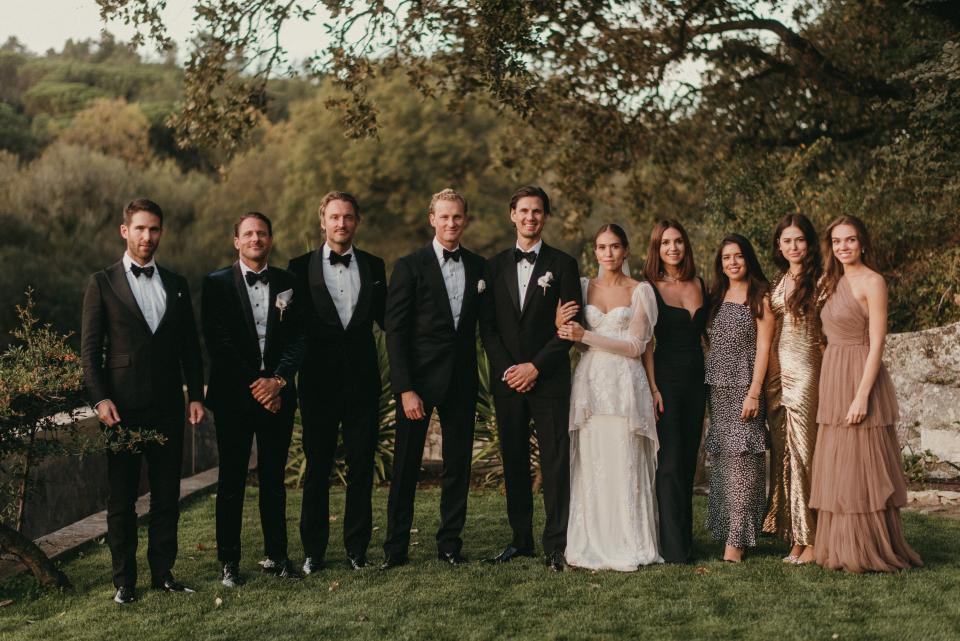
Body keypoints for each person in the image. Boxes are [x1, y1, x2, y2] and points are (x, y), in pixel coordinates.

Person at [80, 198, 204, 604]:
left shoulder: (177, 283)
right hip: (122, 410)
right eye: (140, 229)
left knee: (168, 495)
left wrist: (196, 395)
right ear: (125, 231)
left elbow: (190, 347)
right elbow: (89, 351)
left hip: (169, 406)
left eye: (154, 229)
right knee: (123, 499)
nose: (147, 237)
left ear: (161, 233)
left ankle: (163, 574)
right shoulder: (102, 282)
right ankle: (124, 581)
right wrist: (100, 401)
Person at [809, 216, 922, 573]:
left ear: (862, 243)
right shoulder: (829, 281)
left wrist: (861, 396)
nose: (844, 246)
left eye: (851, 240)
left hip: (861, 372)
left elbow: (877, 344)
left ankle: (869, 546)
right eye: (838, 241)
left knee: (862, 463)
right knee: (839, 463)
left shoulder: (873, 281)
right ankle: (841, 546)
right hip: (834, 373)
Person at [381, 188, 487, 569]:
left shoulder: (478, 267)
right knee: (406, 466)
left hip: (461, 381)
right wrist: (405, 388)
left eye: (457, 216)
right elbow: (395, 331)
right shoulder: (410, 266)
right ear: (432, 219)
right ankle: (395, 549)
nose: (451, 223)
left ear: (465, 219)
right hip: (418, 383)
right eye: (444, 217)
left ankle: (449, 545)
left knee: (458, 466)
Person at [480, 185, 582, 572]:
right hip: (508, 383)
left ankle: (556, 544)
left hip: (550, 380)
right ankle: (519, 539)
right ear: (512, 215)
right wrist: (511, 370)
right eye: (524, 211)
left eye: (537, 211)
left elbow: (571, 325)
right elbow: (487, 328)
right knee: (515, 462)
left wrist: (535, 367)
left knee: (555, 464)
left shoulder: (564, 265)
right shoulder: (492, 267)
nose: (530, 218)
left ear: (545, 217)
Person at [201, 212, 305, 587]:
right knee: (231, 482)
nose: (255, 239)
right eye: (248, 234)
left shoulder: (289, 283)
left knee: (275, 480)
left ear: (270, 239)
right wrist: (259, 386)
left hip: (277, 396)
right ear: (236, 241)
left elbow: (299, 338)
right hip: (234, 398)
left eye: (261, 233)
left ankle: (277, 556)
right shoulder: (215, 284)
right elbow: (219, 343)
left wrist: (278, 381)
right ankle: (229, 562)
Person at [288, 192, 387, 573]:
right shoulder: (298, 267)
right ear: (322, 221)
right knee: (317, 468)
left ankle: (356, 549)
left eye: (348, 217)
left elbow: (389, 322)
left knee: (362, 467)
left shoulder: (375, 266)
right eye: (334, 217)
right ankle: (313, 550)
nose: (341, 223)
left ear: (356, 221)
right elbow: (289, 330)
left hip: (363, 382)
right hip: (316, 384)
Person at [554, 224, 661, 570]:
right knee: (593, 460)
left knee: (624, 459)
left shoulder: (640, 291)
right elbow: (567, 334)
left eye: (615, 246)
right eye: (602, 247)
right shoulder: (583, 287)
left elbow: (635, 347)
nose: (609, 253)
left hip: (625, 384)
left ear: (626, 251)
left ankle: (629, 539)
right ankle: (592, 538)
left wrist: (587, 335)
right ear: (595, 252)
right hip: (590, 385)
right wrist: (564, 327)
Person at [703, 234, 774, 563]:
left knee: (746, 463)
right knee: (725, 465)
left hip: (745, 389)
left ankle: (738, 541)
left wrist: (754, 391)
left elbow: (764, 346)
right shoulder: (716, 295)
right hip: (717, 391)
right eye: (726, 257)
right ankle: (727, 530)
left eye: (738, 256)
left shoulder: (760, 295)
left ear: (748, 259)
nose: (732, 262)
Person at [643, 220, 707, 564]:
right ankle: (672, 548)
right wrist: (652, 388)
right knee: (668, 463)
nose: (673, 248)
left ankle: (684, 540)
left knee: (687, 464)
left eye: (679, 241)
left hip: (698, 383)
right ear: (657, 248)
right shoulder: (648, 288)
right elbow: (645, 344)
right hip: (665, 381)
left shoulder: (701, 283)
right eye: (666, 242)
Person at [763, 214, 823, 565]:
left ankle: (812, 539)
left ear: (809, 243)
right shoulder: (778, 280)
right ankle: (795, 538)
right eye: (786, 241)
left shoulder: (821, 281)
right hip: (778, 373)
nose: (793, 246)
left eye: (799, 240)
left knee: (805, 452)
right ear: (779, 246)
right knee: (784, 452)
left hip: (808, 370)